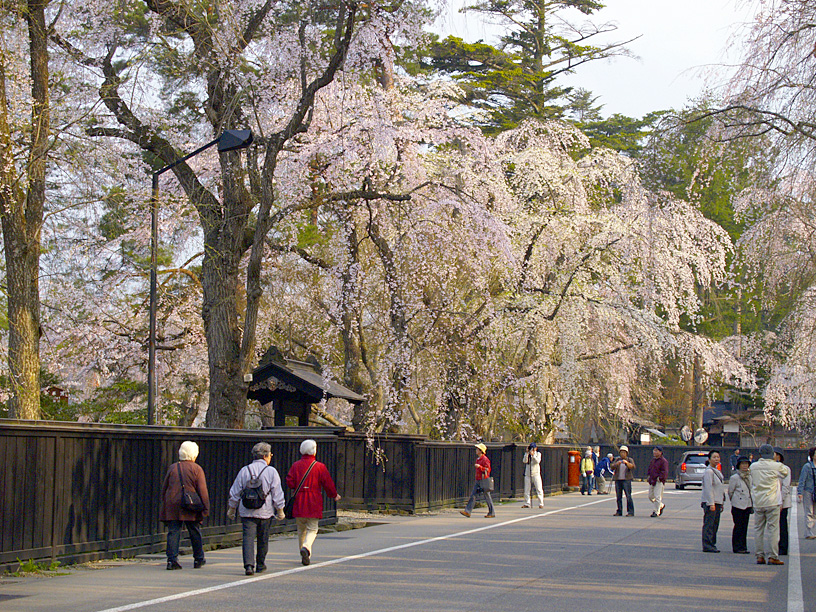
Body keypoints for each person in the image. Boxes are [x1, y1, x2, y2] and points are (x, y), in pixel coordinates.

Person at [227, 442, 286, 575]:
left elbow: (235, 491)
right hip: (265, 511)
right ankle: (260, 564)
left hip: (246, 510)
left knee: (247, 538)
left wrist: (232, 508)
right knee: (263, 538)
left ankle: (248, 565)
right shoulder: (271, 471)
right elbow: (277, 492)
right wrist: (280, 510)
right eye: (270, 455)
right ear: (266, 456)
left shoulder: (244, 470)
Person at [286, 439, 341, 566]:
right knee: (312, 528)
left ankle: (302, 552)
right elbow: (328, 483)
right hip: (313, 500)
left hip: (299, 499)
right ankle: (306, 547)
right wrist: (334, 495)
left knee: (301, 529)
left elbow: (290, 482)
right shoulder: (320, 467)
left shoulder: (296, 465)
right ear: (314, 451)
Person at [159, 440, 210, 570]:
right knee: (194, 530)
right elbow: (202, 491)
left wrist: (164, 503)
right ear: (194, 455)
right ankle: (198, 558)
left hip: (173, 504)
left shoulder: (173, 467)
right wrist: (205, 508)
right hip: (190, 504)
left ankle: (172, 560)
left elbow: (164, 487)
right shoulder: (197, 469)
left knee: (173, 532)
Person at [750, 443, 789, 565]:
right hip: (772, 500)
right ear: (772, 454)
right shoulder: (776, 466)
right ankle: (773, 556)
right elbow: (785, 472)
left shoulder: (754, 466)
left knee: (758, 529)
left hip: (758, 501)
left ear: (760, 454)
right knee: (773, 529)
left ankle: (759, 555)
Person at [460, 443, 495, 518]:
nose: (476, 450)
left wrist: (480, 467)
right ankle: (468, 511)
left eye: (477, 449)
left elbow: (487, 469)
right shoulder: (478, 459)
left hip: (483, 480)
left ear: (480, 451)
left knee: (487, 496)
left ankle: (491, 512)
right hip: (478, 479)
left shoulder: (485, 459)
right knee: (473, 495)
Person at [701, 450, 726, 552]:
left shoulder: (717, 471)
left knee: (715, 524)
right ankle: (707, 544)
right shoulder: (709, 472)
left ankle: (712, 543)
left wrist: (722, 502)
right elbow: (708, 488)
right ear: (709, 459)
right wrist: (711, 503)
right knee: (709, 525)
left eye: (718, 457)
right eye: (714, 457)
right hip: (711, 502)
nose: (716, 459)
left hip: (717, 501)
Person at [728, 455, 753, 554]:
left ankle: (743, 546)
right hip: (737, 504)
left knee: (745, 526)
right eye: (742, 464)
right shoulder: (735, 477)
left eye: (746, 464)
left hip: (747, 504)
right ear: (739, 465)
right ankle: (736, 546)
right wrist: (733, 501)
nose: (744, 466)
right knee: (738, 526)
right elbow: (730, 491)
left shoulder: (750, 477)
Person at [796, 446, 816, 540]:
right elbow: (802, 480)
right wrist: (800, 492)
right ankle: (809, 532)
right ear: (812, 455)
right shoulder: (807, 466)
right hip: (809, 491)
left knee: (814, 513)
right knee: (809, 512)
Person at [611, 445, 636, 516]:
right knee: (618, 496)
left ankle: (630, 511)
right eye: (621, 452)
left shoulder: (629, 459)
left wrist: (626, 463)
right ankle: (619, 510)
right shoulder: (617, 460)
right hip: (618, 480)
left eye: (624, 453)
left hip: (626, 480)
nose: (622, 454)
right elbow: (612, 467)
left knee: (628, 496)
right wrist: (616, 464)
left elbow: (633, 467)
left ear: (626, 453)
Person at [775, 448, 791, 556]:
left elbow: (786, 486)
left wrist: (782, 500)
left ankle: (783, 547)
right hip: (772, 500)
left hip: (783, 502)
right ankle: (774, 546)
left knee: (782, 524)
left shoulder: (785, 469)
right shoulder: (770, 468)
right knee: (773, 526)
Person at [647, 446, 668, 517]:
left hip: (659, 481)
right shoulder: (653, 460)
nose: (654, 452)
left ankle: (656, 511)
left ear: (660, 452)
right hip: (652, 480)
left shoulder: (663, 461)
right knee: (650, 496)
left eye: (656, 451)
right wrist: (649, 476)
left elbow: (664, 471)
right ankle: (661, 505)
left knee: (657, 496)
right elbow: (650, 468)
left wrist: (660, 478)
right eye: (654, 450)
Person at [522, 442, 544, 509]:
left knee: (539, 489)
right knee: (527, 489)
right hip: (528, 474)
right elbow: (524, 461)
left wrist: (533, 455)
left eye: (533, 448)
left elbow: (537, 461)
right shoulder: (527, 454)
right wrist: (527, 453)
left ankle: (541, 503)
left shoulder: (538, 454)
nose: (532, 449)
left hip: (536, 473)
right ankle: (527, 503)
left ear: (536, 448)